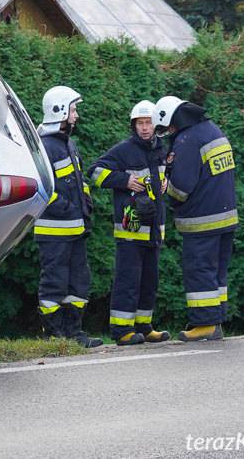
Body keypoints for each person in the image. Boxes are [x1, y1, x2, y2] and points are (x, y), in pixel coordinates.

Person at [153, 96, 238, 341]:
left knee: (199, 270)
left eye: (167, 127)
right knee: (217, 273)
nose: (168, 133)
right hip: (225, 217)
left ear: (172, 120)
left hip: (202, 220)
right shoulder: (212, 131)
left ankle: (205, 324)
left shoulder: (187, 140)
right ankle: (216, 320)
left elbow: (181, 189)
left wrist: (162, 182)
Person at [87, 101, 171, 346]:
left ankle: (144, 327)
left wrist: (166, 182)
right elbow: (95, 171)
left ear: (156, 125)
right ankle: (122, 331)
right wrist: (123, 180)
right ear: (134, 126)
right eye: (140, 123)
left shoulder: (161, 149)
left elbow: (165, 173)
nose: (145, 128)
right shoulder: (123, 150)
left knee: (149, 281)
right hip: (131, 230)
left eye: (149, 123)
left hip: (155, 229)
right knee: (128, 280)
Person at [34, 86, 102, 348]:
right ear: (59, 111)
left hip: (74, 229)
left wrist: (85, 206)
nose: (75, 115)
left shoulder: (67, 144)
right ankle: (55, 336)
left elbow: (78, 181)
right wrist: (67, 208)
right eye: (73, 110)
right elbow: (42, 187)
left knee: (78, 282)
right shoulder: (46, 147)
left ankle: (74, 334)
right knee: (54, 283)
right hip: (53, 232)